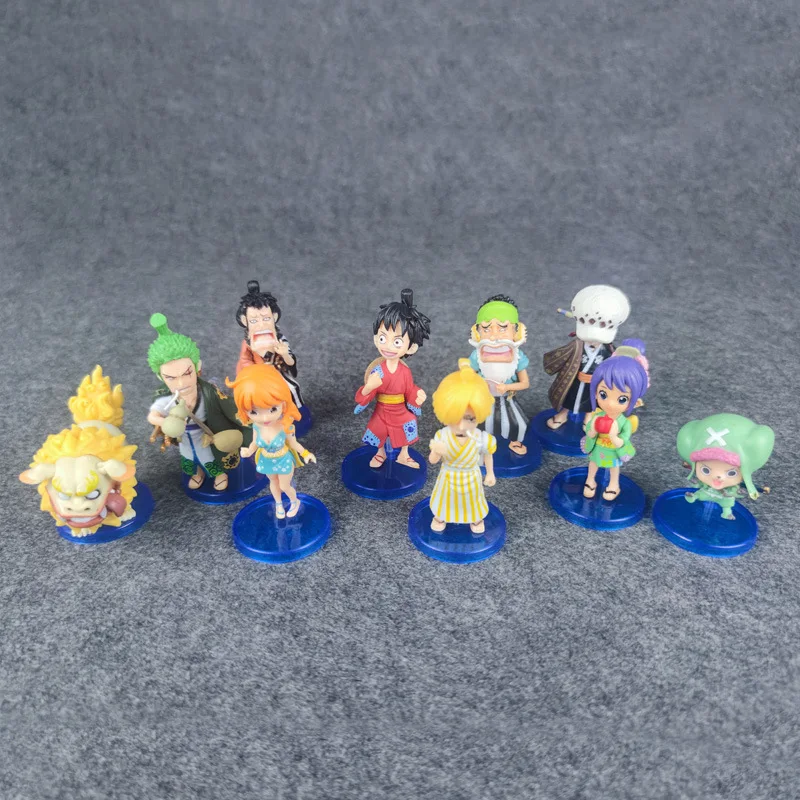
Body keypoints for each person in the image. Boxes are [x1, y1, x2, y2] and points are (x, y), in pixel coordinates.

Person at [354, 288, 431, 469]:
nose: (388, 346)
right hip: (382, 409)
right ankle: (380, 453)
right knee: (378, 430)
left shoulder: (404, 372)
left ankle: (404, 454)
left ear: (411, 347)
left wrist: (417, 395)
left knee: (408, 423)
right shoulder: (378, 370)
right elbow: (365, 395)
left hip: (400, 410)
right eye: (383, 338)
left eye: (397, 341)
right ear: (376, 339)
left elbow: (410, 390)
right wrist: (369, 387)